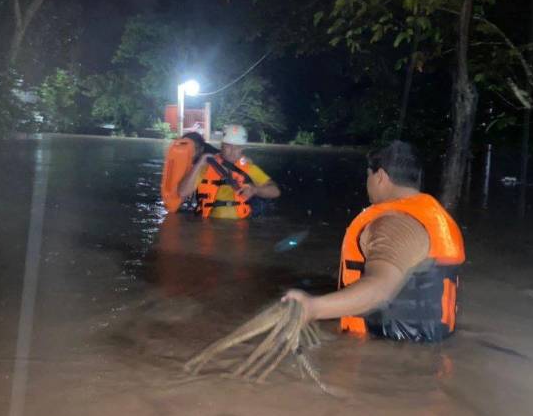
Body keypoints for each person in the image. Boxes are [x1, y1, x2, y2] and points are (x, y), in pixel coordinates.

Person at [283, 141, 466, 342]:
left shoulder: (393, 224)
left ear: (380, 177)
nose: (367, 183)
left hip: (389, 358)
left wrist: (313, 308)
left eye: (368, 175)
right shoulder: (431, 216)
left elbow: (380, 289)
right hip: (424, 355)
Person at [178, 124, 280, 219]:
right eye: (229, 146)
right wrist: (199, 163)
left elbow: (275, 191)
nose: (233, 151)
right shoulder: (206, 165)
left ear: (242, 148)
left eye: (237, 147)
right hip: (208, 226)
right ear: (222, 145)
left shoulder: (248, 167)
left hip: (239, 227)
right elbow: (182, 192)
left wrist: (255, 190)